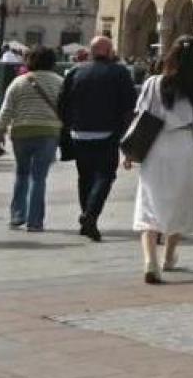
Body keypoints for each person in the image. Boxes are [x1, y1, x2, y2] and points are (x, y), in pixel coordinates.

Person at [129, 35, 193, 283]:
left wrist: (130, 151)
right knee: (180, 201)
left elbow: (140, 115)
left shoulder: (153, 83)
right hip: (182, 145)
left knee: (149, 201)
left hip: (154, 144)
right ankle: (169, 256)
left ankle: (150, 260)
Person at [57, 35, 139, 242]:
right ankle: (90, 215)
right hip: (107, 132)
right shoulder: (119, 72)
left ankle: (87, 218)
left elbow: (62, 102)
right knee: (105, 175)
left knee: (84, 177)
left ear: (91, 51)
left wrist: (69, 124)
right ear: (109, 51)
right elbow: (129, 104)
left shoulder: (75, 71)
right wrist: (125, 131)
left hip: (79, 133)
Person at [0, 45, 66, 231]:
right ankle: (35, 222)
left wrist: (0, 131)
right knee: (39, 177)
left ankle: (17, 215)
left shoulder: (18, 82)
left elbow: (6, 108)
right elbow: (66, 108)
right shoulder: (60, 82)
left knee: (22, 174)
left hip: (21, 131)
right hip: (48, 131)